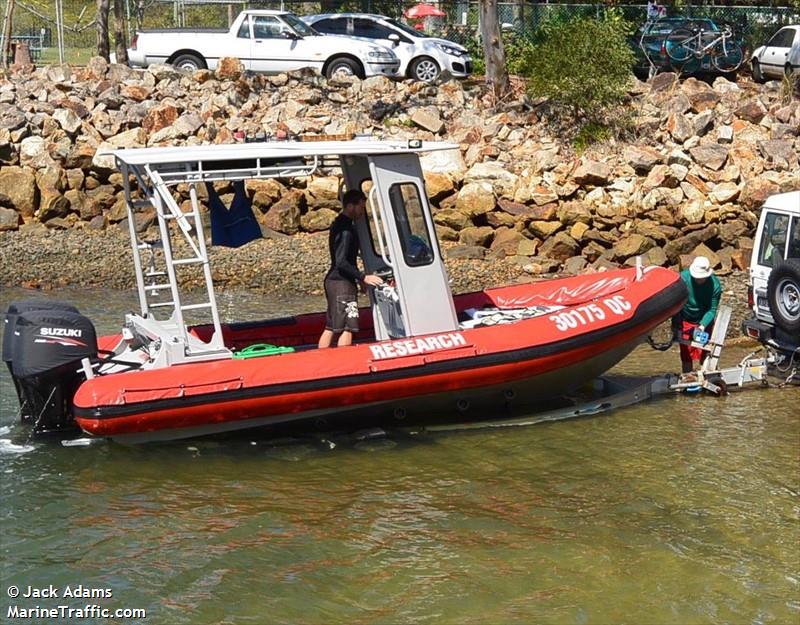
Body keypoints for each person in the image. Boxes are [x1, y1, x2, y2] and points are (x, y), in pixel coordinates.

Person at [318, 189, 383, 349]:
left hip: (335, 281)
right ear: (350, 206)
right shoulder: (346, 231)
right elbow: (341, 262)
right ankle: (343, 364)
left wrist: (357, 280)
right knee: (348, 327)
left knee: (332, 325)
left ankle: (320, 362)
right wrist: (363, 277)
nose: (362, 211)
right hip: (341, 283)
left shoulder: (340, 224)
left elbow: (347, 260)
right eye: (361, 207)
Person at [677, 256, 722, 374]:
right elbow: (675, 303)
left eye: (702, 278)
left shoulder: (715, 286)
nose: (699, 280)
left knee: (705, 350)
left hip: (704, 318)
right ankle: (686, 376)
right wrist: (675, 323)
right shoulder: (682, 279)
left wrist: (702, 325)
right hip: (685, 317)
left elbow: (712, 310)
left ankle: (706, 372)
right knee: (686, 351)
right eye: (696, 277)